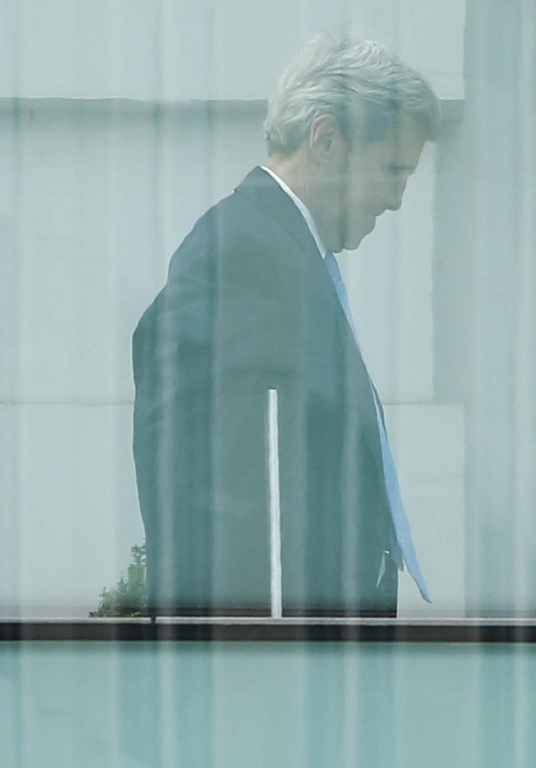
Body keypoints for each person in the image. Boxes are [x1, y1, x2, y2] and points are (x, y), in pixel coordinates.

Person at [132, 34, 441, 616]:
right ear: (325, 138)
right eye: (392, 170)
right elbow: (254, 509)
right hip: (285, 671)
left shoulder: (273, 250)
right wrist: (277, 674)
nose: (397, 198)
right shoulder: (252, 259)